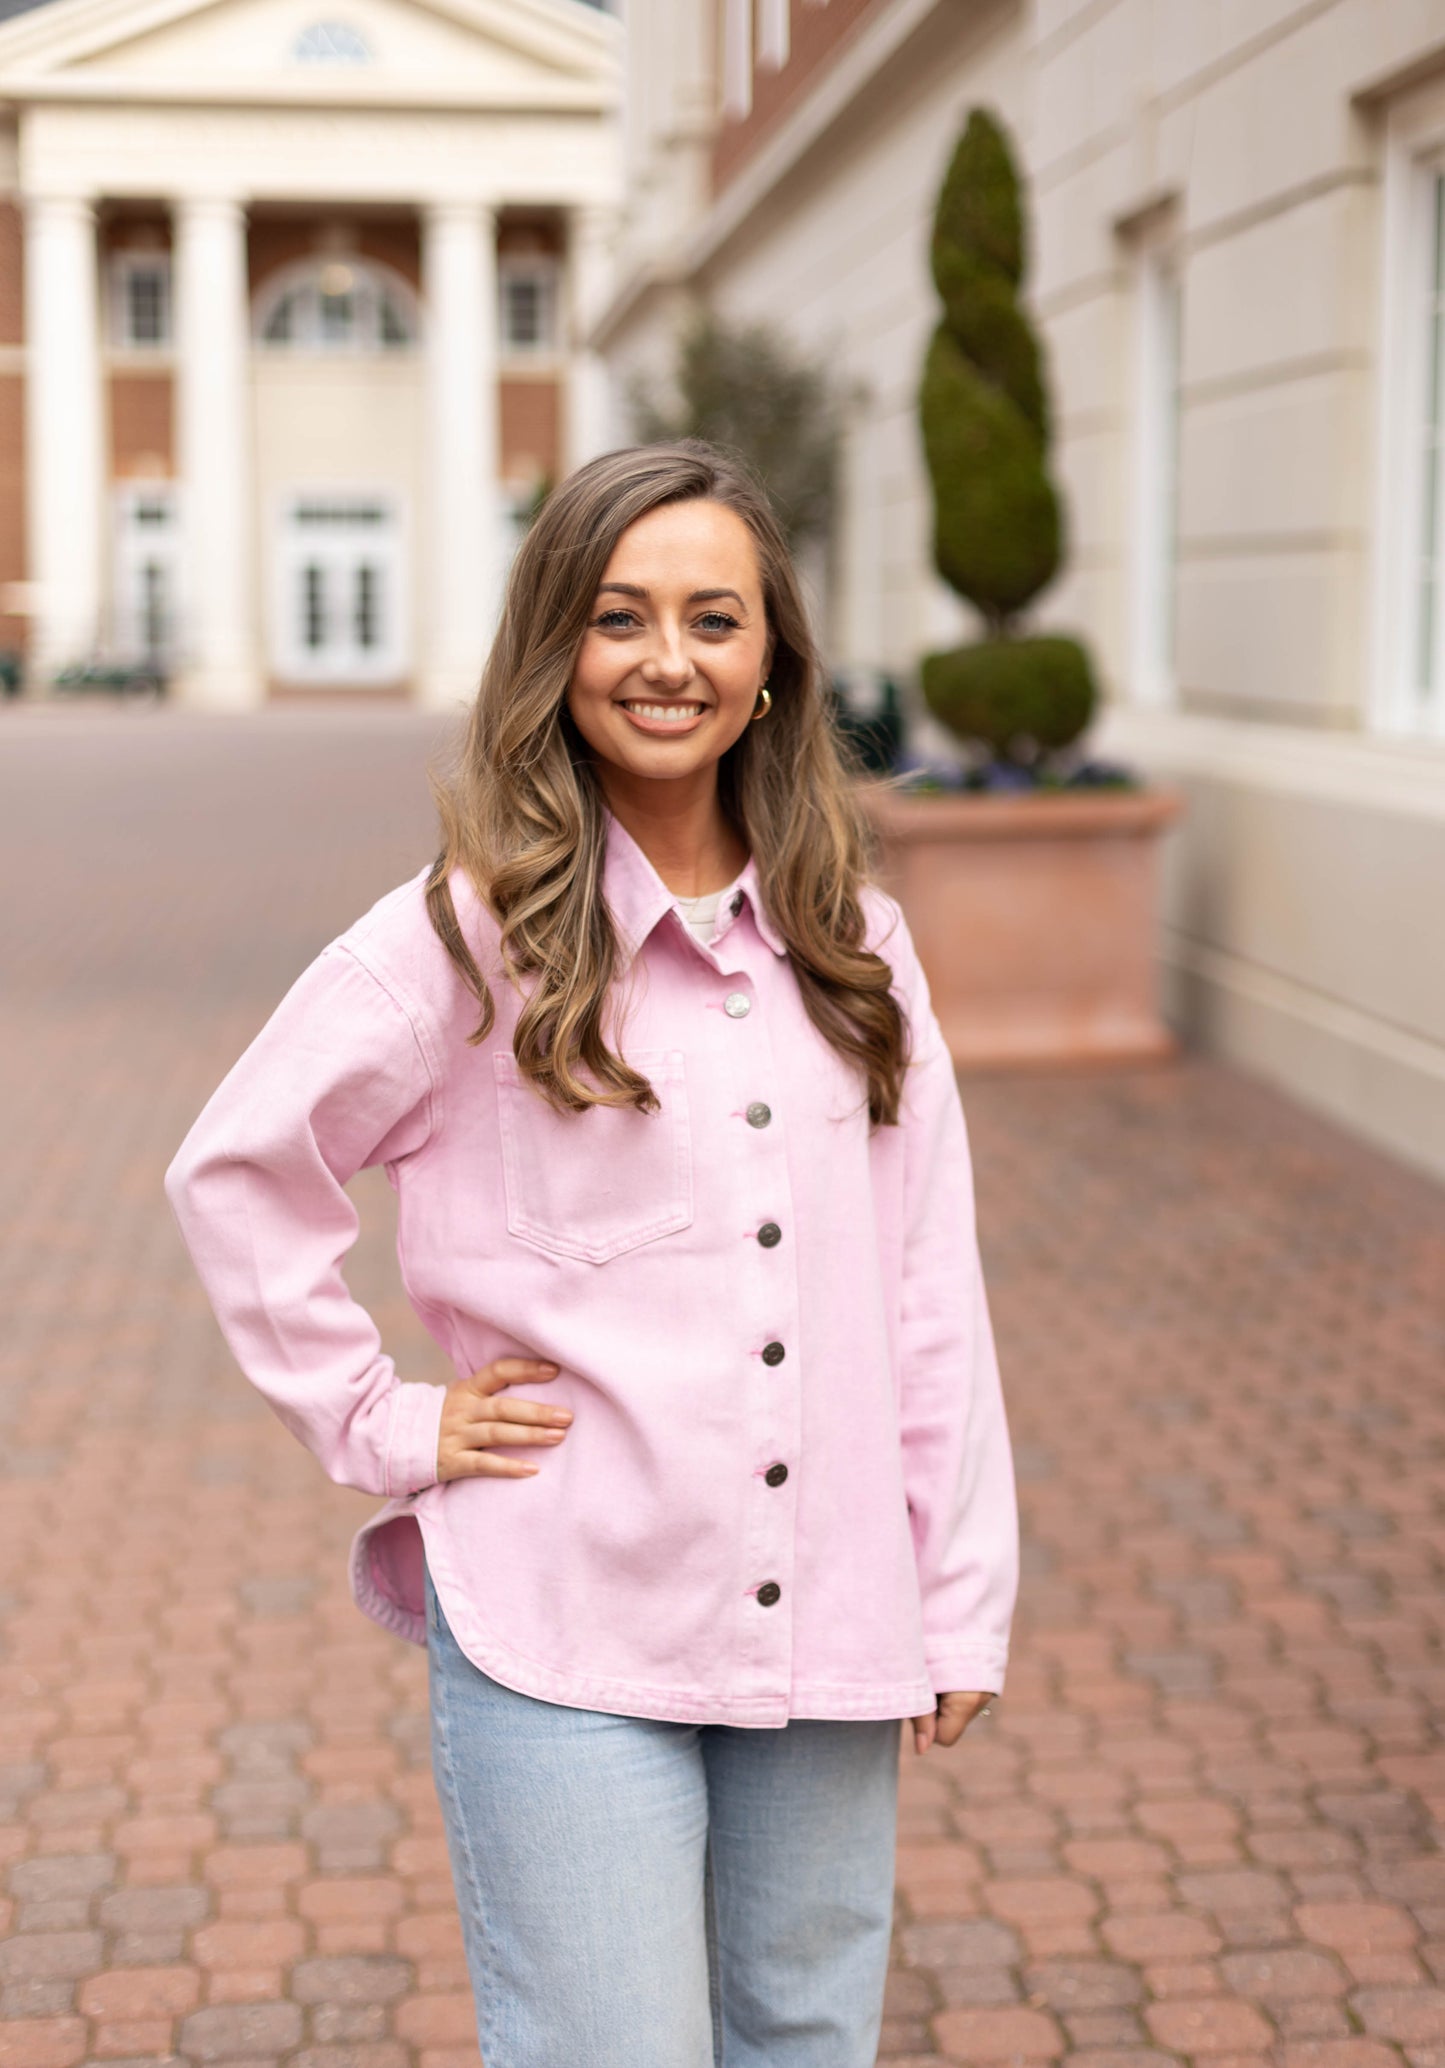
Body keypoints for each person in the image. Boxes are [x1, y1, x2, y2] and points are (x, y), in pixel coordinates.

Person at [164, 440, 1019, 2068]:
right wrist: (386, 1422)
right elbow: (237, 1168)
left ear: (772, 663)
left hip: (827, 1605)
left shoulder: (854, 944)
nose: (668, 659)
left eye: (714, 618)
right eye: (620, 617)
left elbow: (927, 1282)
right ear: (556, 649)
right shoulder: (463, 936)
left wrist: (957, 1591)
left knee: (803, 2038)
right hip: (567, 1624)